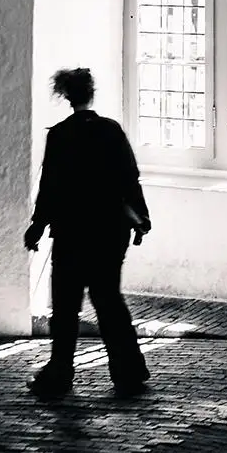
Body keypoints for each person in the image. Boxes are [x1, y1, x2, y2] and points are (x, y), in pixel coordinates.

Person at [24, 67, 153, 398]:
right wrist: (142, 219)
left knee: (66, 307)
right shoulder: (111, 131)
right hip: (111, 229)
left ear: (66, 97)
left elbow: (49, 187)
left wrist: (37, 228)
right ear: (91, 93)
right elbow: (130, 179)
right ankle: (128, 371)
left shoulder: (60, 135)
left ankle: (60, 374)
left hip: (71, 230)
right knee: (108, 298)